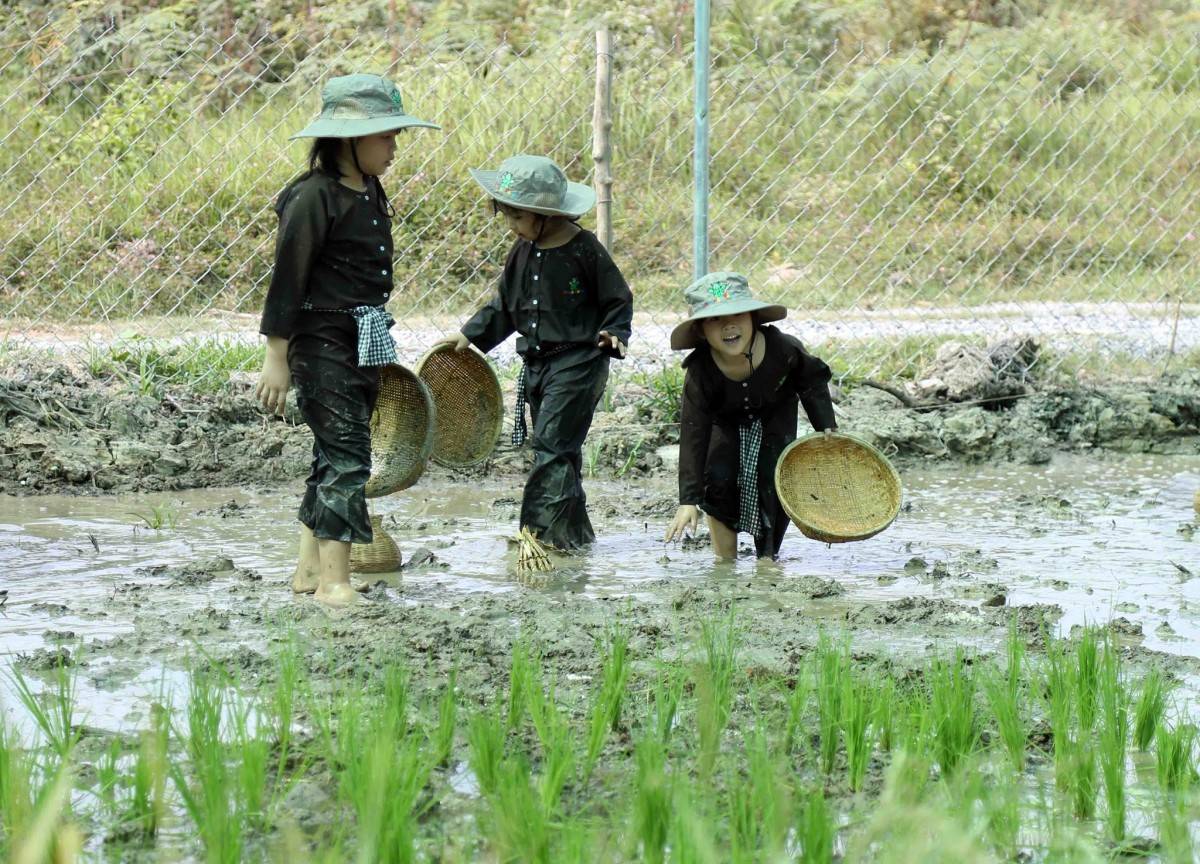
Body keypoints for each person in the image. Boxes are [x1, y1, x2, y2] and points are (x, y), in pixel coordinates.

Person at [255, 74, 439, 606]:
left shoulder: (369, 187)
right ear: (349, 140)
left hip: (361, 336)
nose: (394, 148)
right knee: (349, 457)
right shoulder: (313, 197)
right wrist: (276, 355)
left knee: (331, 452)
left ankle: (308, 571)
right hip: (321, 340)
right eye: (386, 137)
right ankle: (335, 584)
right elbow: (288, 278)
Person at [442, 155, 633, 551]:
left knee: (553, 447)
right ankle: (574, 538)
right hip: (538, 365)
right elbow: (506, 306)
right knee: (559, 450)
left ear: (546, 214)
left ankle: (538, 537)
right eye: (507, 216)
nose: (511, 226)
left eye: (517, 217)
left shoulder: (584, 250)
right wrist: (468, 335)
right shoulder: (522, 251)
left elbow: (618, 298)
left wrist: (614, 332)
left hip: (578, 363)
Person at [663, 272, 837, 560]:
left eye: (738, 314)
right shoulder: (700, 370)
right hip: (725, 423)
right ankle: (724, 562)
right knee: (718, 478)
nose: (729, 325)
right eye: (715, 319)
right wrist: (688, 500)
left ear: (754, 318)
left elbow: (812, 381)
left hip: (775, 417)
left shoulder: (784, 349)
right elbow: (694, 432)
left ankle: (767, 558)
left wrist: (826, 427)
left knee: (775, 479)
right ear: (701, 331)